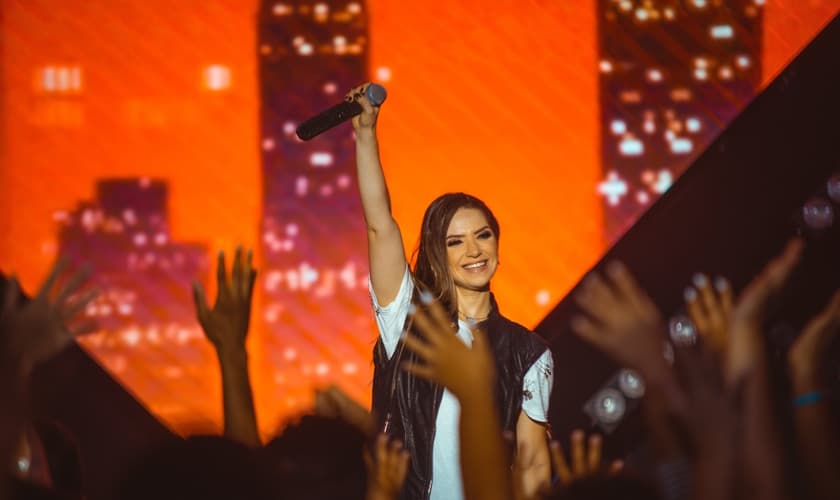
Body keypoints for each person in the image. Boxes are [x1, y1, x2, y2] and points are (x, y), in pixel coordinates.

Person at [348, 83, 553, 499]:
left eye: (483, 236)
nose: (474, 251)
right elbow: (379, 225)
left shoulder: (528, 352)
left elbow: (532, 461)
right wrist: (366, 136)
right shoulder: (409, 321)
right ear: (437, 252)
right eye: (455, 241)